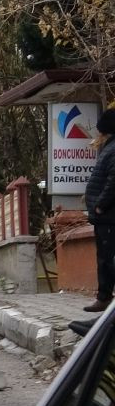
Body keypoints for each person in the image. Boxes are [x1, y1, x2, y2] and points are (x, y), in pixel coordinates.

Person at [83, 108, 115, 313]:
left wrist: (100, 204)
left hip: (109, 215)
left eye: (101, 132)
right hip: (105, 216)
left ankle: (104, 297)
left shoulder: (113, 149)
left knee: (107, 259)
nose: (98, 136)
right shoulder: (109, 148)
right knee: (105, 257)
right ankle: (104, 296)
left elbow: (113, 181)